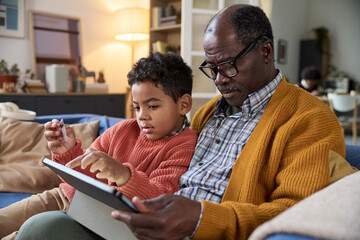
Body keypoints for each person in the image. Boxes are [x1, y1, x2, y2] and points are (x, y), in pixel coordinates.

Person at [15, 4, 355, 240]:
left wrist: (201, 218)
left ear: (266, 52)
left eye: (229, 64)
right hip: (149, 223)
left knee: (44, 229)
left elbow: (294, 214)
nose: (219, 79)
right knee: (43, 224)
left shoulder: (309, 118)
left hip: (197, 230)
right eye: (212, 67)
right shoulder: (209, 114)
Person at [0, 52, 198, 239]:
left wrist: (122, 175)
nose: (142, 116)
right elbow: (82, 173)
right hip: (64, 195)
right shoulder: (123, 129)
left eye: (152, 106)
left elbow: (160, 199)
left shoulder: (185, 145)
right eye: (137, 107)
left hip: (98, 219)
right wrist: (68, 152)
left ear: (183, 105)